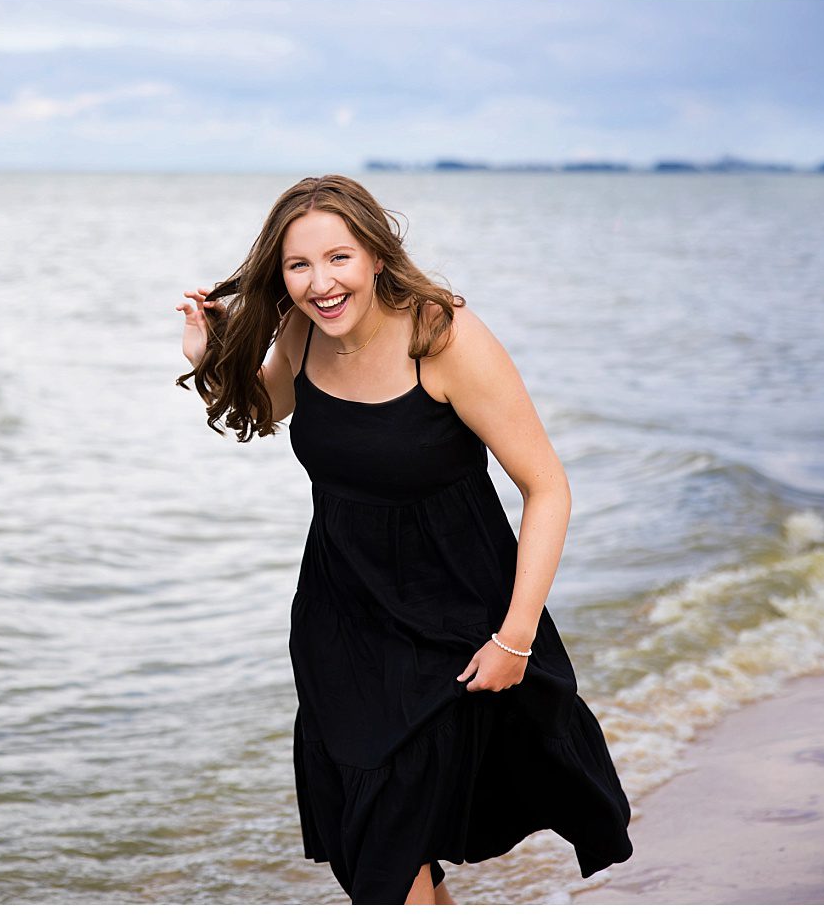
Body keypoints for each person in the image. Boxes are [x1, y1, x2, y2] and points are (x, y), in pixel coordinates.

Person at [175, 175, 632, 903]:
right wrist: (210, 356)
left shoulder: (440, 334)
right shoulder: (303, 330)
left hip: (452, 629)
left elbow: (548, 488)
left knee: (389, 865)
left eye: (339, 258)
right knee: (376, 858)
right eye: (299, 265)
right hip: (342, 632)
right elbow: (268, 406)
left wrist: (515, 640)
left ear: (377, 257)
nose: (320, 283)